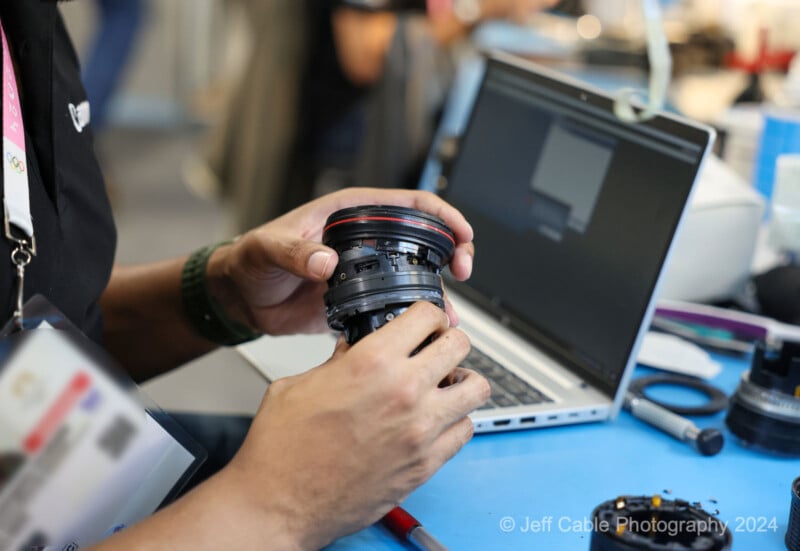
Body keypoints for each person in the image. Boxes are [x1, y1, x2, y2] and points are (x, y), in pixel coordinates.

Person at [0, 1, 488, 549]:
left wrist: (226, 293)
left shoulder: (31, 24)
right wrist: (282, 503)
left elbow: (34, 313)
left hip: (41, 442)